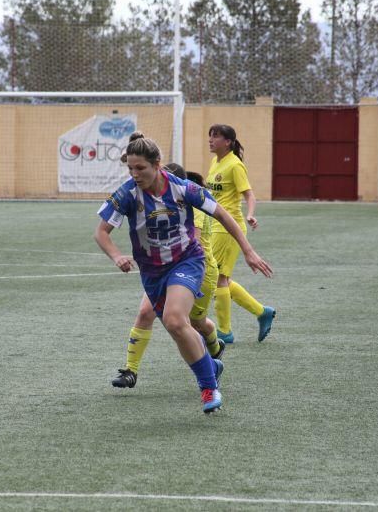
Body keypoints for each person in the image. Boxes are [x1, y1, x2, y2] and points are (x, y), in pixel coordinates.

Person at [95, 133, 273, 413]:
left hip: (187, 262)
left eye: (140, 168)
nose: (135, 174)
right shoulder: (127, 193)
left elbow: (224, 215)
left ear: (157, 164)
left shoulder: (183, 188)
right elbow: (102, 232)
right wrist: (117, 256)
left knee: (176, 320)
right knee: (177, 329)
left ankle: (208, 388)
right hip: (152, 272)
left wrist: (248, 251)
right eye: (130, 168)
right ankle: (210, 364)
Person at [111, 163, 225, 389]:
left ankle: (214, 355)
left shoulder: (187, 203)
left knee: (195, 323)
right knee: (146, 312)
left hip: (196, 269)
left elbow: (192, 243)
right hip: (164, 268)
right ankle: (130, 370)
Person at [206, 124, 275, 344]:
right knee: (220, 277)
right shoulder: (215, 162)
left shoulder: (235, 165)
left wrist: (251, 214)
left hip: (229, 228)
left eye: (215, 136)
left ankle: (224, 332)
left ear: (228, 142)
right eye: (210, 136)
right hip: (213, 226)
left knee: (219, 278)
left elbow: (249, 195)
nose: (210, 140)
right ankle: (262, 311)